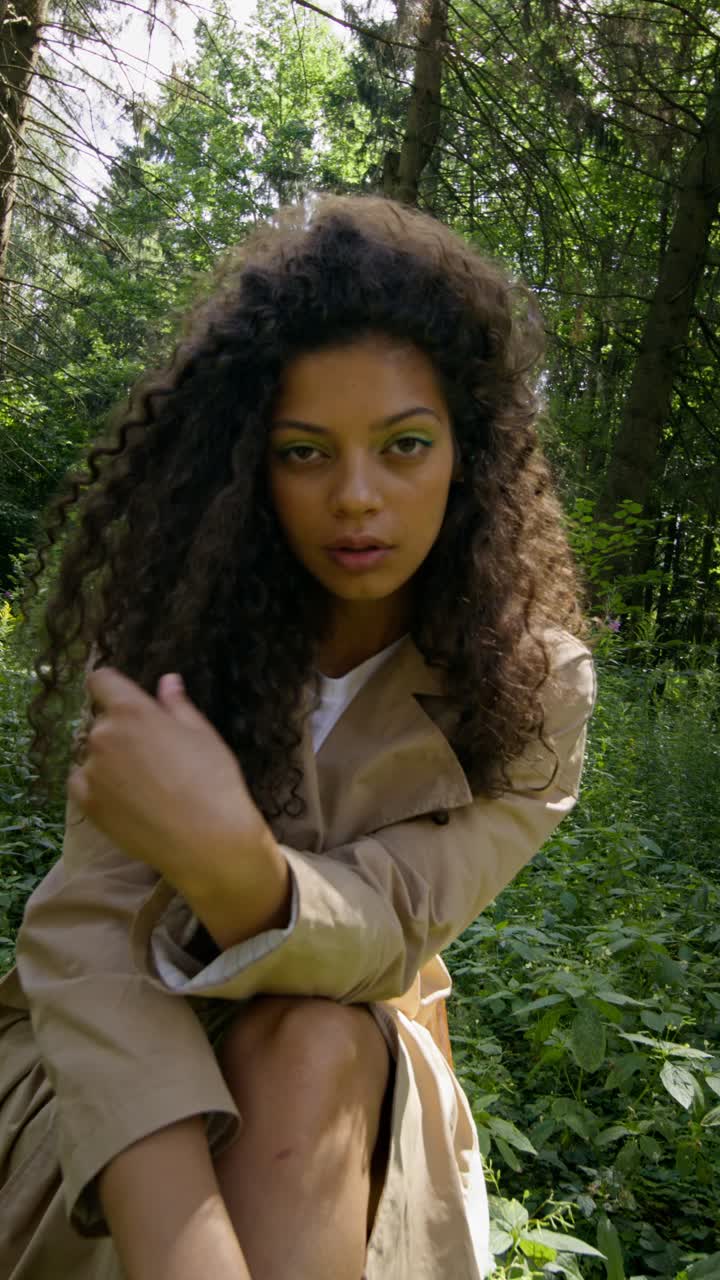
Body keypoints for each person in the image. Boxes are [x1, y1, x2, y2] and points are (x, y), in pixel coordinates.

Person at [0, 194, 595, 1280]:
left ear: (469, 451)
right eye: (304, 451)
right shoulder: (172, 642)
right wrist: (189, 1246)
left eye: (404, 444)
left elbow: (394, 923)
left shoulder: (533, 686)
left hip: (345, 1073)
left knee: (314, 1033)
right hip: (116, 1065)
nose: (357, 497)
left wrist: (235, 866)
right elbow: (89, 945)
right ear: (248, 466)